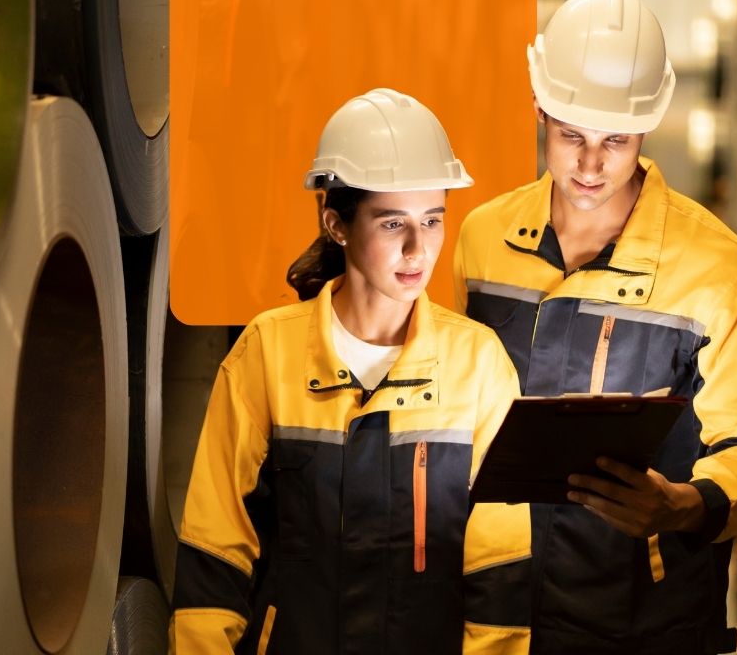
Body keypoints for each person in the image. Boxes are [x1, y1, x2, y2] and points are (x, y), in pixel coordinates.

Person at [454, 0, 737, 655]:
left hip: (645, 628)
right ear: (539, 109)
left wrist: (682, 504)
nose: (590, 164)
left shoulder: (720, 271)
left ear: (648, 126)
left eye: (615, 140)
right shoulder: (483, 240)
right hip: (492, 624)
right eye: (570, 136)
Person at [169, 88, 531, 654]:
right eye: (392, 224)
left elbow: (500, 573)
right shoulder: (268, 353)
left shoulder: (478, 365)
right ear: (336, 224)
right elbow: (214, 554)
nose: (418, 248)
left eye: (432, 220)